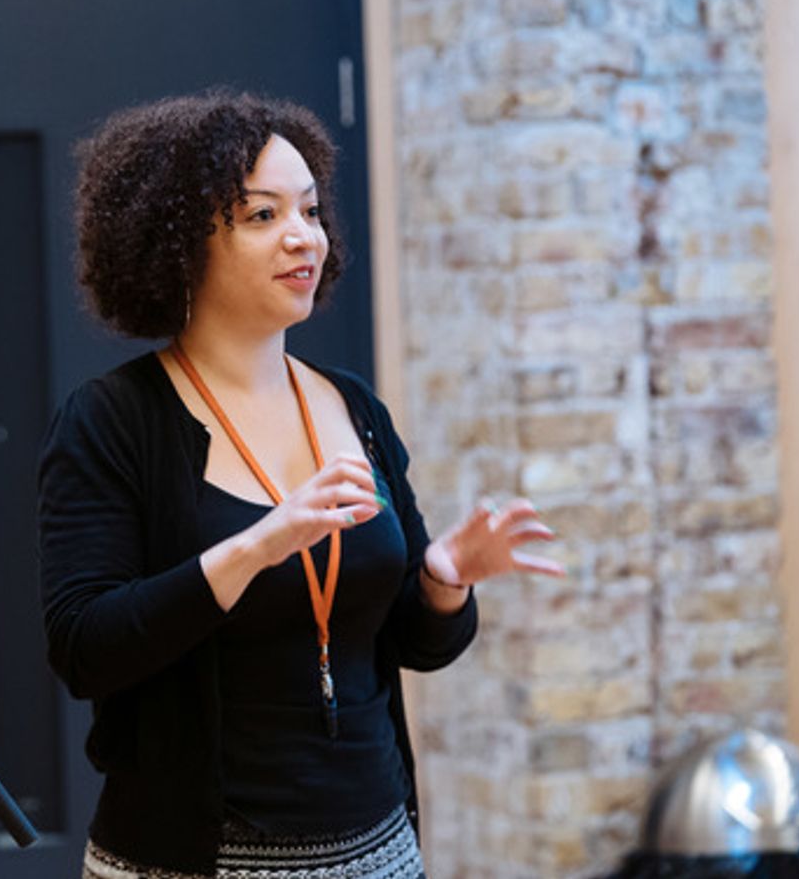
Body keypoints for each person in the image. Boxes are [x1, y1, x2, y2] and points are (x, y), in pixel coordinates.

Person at [39, 90, 565, 879]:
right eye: (261, 216)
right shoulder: (113, 419)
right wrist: (256, 546)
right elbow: (85, 648)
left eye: (311, 212)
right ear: (180, 242)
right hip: (195, 859)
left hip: (376, 847)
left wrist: (444, 580)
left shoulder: (352, 404)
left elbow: (415, 643)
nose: (302, 237)